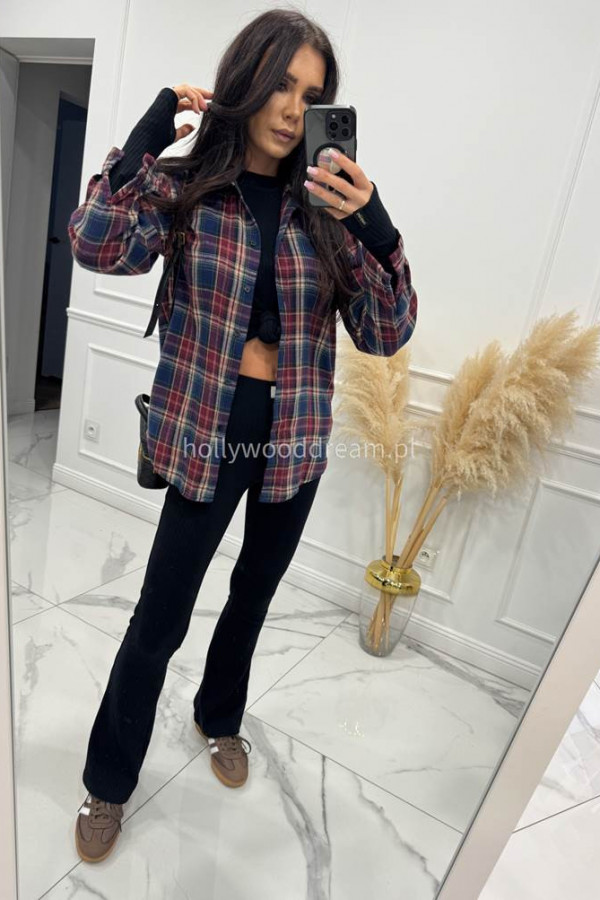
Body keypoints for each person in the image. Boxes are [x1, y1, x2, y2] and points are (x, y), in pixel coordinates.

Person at [68, 7, 418, 863]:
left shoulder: (327, 209)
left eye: (313, 94)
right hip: (206, 428)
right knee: (160, 615)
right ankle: (108, 780)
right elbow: (94, 243)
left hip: (293, 434)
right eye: (281, 85)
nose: (294, 109)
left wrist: (374, 223)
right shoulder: (187, 188)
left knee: (254, 595)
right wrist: (150, 133)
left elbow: (387, 331)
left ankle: (218, 715)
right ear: (247, 80)